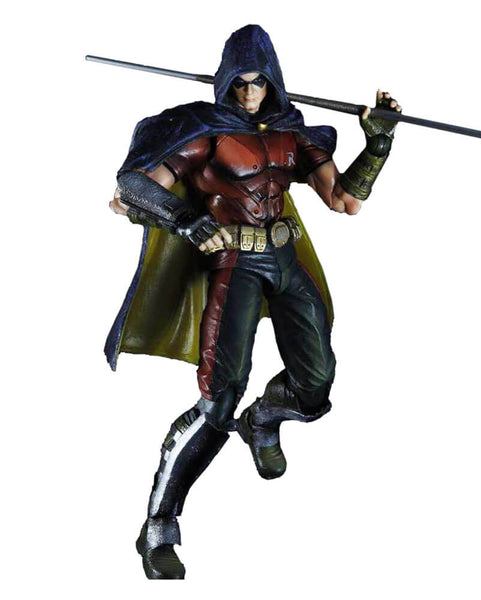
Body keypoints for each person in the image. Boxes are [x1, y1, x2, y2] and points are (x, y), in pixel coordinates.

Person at [106, 24, 400, 579]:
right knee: (218, 402)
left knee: (316, 385)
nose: (247, 94)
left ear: (273, 82)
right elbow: (132, 190)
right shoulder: (205, 132)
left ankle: (262, 419)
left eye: (257, 83)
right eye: (238, 83)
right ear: (224, 82)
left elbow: (345, 201)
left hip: (284, 262)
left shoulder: (291, 133)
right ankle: (158, 527)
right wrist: (186, 219)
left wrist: (378, 144)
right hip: (234, 265)